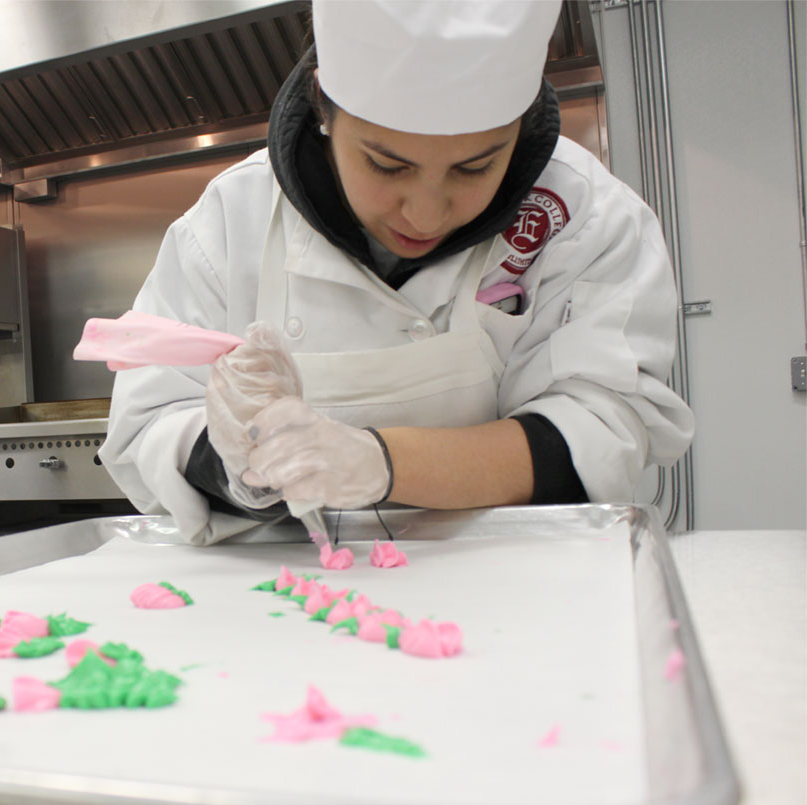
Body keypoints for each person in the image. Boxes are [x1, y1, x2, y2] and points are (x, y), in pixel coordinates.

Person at [101, 0, 694, 545]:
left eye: (474, 167)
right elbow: (148, 425)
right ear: (323, 107)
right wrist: (235, 463)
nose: (425, 212)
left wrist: (379, 463)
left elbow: (601, 434)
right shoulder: (234, 220)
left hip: (513, 586)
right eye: (386, 165)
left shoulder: (586, 218)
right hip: (286, 603)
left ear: (521, 127)